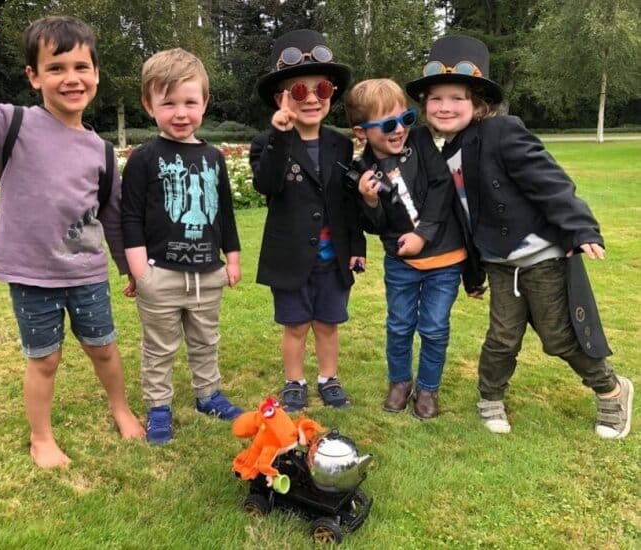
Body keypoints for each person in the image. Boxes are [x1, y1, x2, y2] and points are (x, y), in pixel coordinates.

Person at [0, 13, 145, 468]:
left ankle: (121, 408)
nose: (71, 78)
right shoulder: (10, 124)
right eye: (56, 68)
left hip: (86, 274)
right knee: (44, 360)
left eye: (81, 67)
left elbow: (113, 217)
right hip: (31, 276)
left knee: (103, 349)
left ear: (96, 74)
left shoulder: (102, 151)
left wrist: (130, 270)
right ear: (34, 76)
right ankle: (41, 438)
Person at [405, 34, 633, 438]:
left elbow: (550, 182)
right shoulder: (446, 153)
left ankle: (612, 391)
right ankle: (490, 398)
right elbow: (464, 220)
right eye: (436, 99)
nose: (445, 107)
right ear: (425, 106)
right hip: (498, 264)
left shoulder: (503, 131)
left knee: (560, 338)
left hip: (542, 259)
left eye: (456, 97)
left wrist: (580, 228)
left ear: (478, 103)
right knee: (501, 338)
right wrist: (471, 274)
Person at [121, 48, 243, 444]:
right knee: (159, 347)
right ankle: (159, 407)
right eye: (168, 102)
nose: (180, 113)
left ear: (204, 103)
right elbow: (131, 218)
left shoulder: (213, 157)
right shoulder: (143, 158)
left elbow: (224, 212)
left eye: (190, 102)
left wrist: (233, 260)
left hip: (208, 272)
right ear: (148, 104)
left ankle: (208, 395)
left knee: (206, 339)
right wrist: (141, 273)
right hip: (162, 274)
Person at [344, 78, 485, 419]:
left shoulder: (420, 141)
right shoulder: (361, 170)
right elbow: (374, 226)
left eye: (406, 119)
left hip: (446, 257)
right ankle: (399, 383)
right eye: (389, 125)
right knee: (399, 324)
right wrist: (369, 201)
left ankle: (427, 389)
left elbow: (442, 185)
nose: (400, 130)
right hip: (400, 262)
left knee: (435, 326)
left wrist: (423, 233)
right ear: (362, 131)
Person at [250, 29, 366, 412]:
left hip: (333, 257)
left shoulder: (341, 144)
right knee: (296, 325)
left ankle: (328, 378)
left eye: (322, 89)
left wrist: (359, 247)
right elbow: (267, 184)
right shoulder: (267, 143)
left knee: (328, 323)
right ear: (279, 98)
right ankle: (295, 380)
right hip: (290, 256)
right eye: (298, 91)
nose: (312, 98)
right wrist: (281, 136)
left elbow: (349, 202)